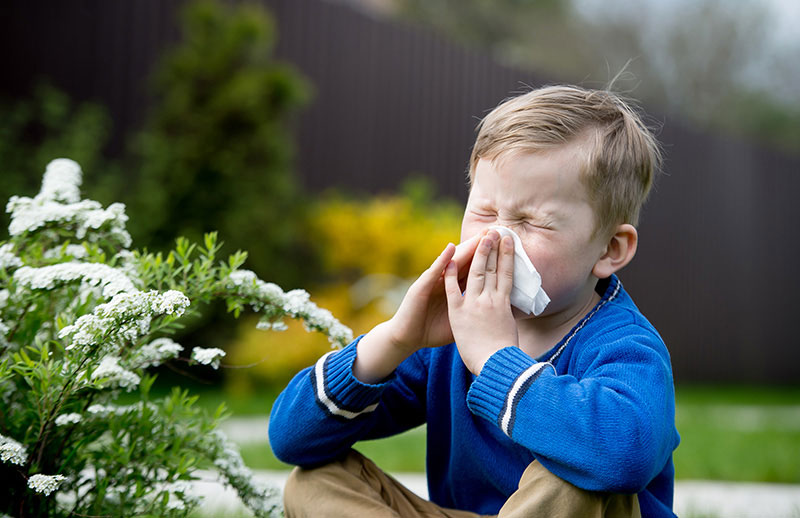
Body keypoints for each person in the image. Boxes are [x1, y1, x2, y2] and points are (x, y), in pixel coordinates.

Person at [269, 84, 681, 518]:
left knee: (574, 477)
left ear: (609, 250)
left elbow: (624, 458)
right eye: (484, 212)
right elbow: (291, 439)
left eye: (529, 221)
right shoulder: (451, 334)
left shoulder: (625, 346)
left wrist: (494, 361)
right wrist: (395, 339)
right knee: (314, 480)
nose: (496, 237)